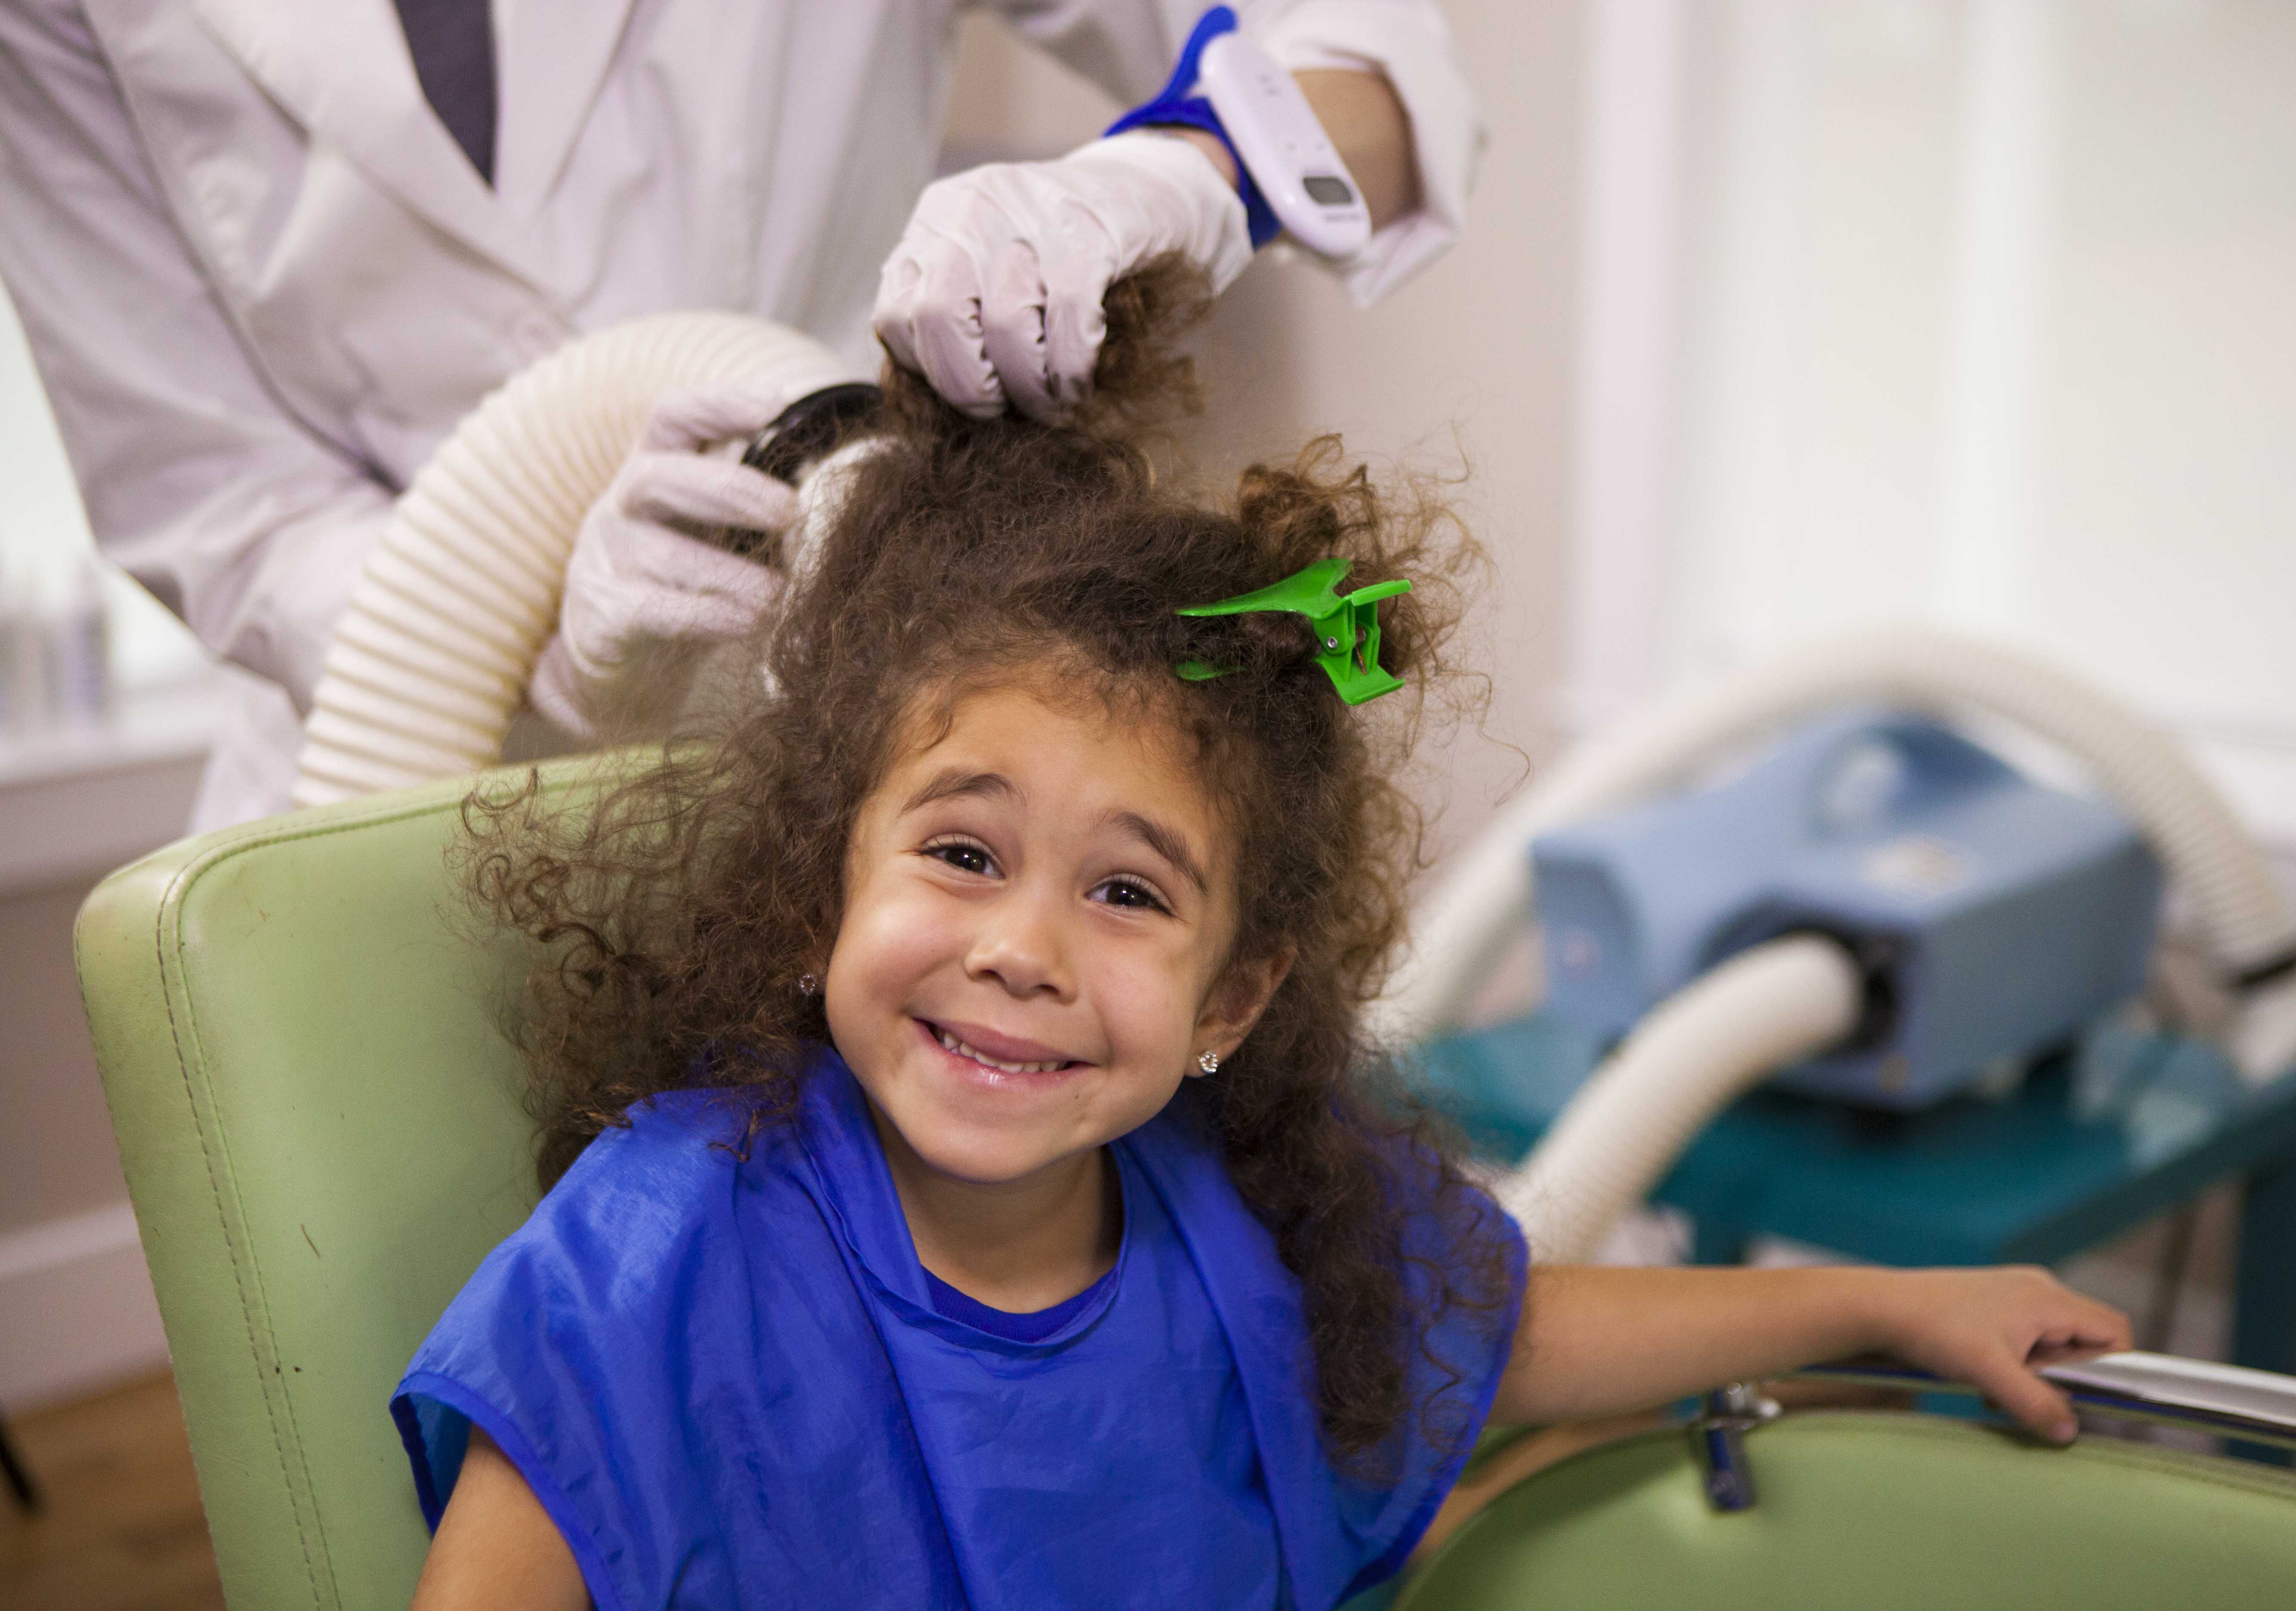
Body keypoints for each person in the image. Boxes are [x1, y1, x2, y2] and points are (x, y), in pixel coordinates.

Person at [391, 272, 2131, 1610]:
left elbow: (1523, 1332)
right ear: (823, 883)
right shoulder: (658, 1255)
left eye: (1128, 892)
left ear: (1233, 999)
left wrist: (1882, 1306)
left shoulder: (1242, 1221)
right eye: (964, 852)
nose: (1025, 946)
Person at [0, 0, 1479, 828]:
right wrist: (530, 636)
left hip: (854, 727)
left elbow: (1376, 56)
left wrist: (1179, 170)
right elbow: (212, 494)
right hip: (381, 766)